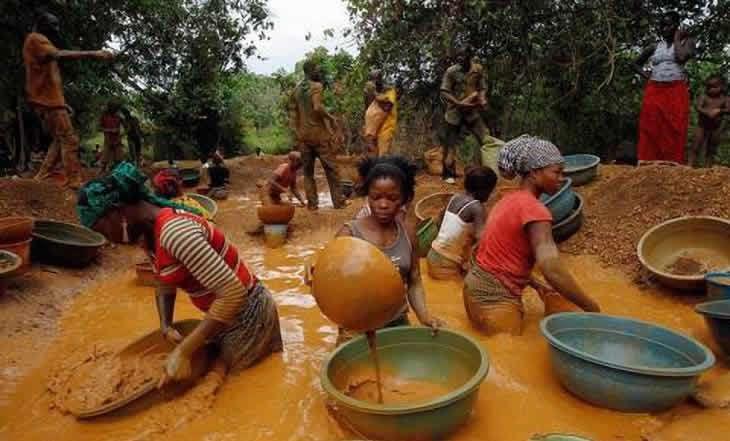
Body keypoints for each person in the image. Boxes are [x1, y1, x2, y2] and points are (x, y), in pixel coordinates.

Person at [77, 162, 282, 388]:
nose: (107, 238)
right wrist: (166, 325)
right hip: (225, 317)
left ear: (118, 211)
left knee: (234, 387)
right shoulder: (148, 235)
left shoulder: (176, 233)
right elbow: (163, 280)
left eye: (102, 229)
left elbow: (233, 294)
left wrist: (183, 351)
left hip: (249, 316)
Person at [464, 135, 600, 336]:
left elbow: (499, 255)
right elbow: (551, 269)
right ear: (535, 173)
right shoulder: (536, 211)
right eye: (557, 172)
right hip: (495, 302)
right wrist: (591, 307)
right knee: (510, 359)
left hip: (473, 291)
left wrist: (535, 284)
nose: (562, 178)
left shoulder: (507, 200)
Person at [335, 155, 443, 345]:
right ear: (367, 195)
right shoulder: (349, 233)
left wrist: (425, 316)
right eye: (376, 197)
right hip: (357, 327)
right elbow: (329, 281)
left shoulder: (409, 233)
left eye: (392, 198)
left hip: (397, 321)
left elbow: (415, 280)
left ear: (405, 198)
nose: (383, 204)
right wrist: (314, 269)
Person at [24, 12, 114, 189]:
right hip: (48, 103)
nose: (56, 30)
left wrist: (62, 103)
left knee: (60, 139)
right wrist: (94, 53)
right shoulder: (35, 39)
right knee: (69, 139)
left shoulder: (38, 40)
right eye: (53, 25)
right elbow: (58, 54)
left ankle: (42, 176)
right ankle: (74, 181)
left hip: (51, 102)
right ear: (41, 24)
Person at [634, 11, 695, 164]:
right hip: (654, 89)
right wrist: (646, 75)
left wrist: (676, 38)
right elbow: (634, 63)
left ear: (676, 26)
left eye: (668, 25)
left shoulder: (687, 42)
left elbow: (681, 57)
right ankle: (649, 162)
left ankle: (672, 163)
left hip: (676, 89)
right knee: (650, 124)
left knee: (675, 125)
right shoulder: (654, 46)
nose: (664, 28)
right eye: (662, 25)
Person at [288, 58, 345, 210]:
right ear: (311, 70)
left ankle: (312, 205)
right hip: (319, 136)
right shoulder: (316, 87)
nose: (318, 72)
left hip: (304, 137)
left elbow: (293, 116)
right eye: (316, 69)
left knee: (308, 172)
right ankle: (338, 202)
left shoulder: (296, 90)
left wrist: (297, 134)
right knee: (331, 169)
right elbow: (317, 107)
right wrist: (331, 118)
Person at [427, 166, 497, 280]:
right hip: (446, 263)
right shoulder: (476, 207)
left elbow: (439, 223)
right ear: (484, 190)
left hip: (433, 254)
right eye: (490, 191)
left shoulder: (454, 198)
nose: (490, 196)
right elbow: (482, 240)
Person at [440, 50, 489, 184]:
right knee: (450, 144)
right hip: (454, 111)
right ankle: (448, 174)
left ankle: (485, 171)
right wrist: (458, 103)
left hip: (472, 111)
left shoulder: (477, 69)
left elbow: (482, 87)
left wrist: (482, 98)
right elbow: (444, 91)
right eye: (458, 57)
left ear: (470, 58)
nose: (460, 60)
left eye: (463, 57)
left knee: (485, 138)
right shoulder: (451, 71)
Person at [689, 75, 729, 167]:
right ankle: (689, 165)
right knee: (695, 146)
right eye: (708, 87)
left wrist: (719, 111)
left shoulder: (725, 99)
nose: (711, 89)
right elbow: (698, 107)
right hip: (702, 126)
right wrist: (707, 112)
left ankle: (707, 167)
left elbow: (728, 109)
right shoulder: (704, 96)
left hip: (716, 128)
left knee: (711, 148)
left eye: (714, 87)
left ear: (722, 87)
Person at [362, 70, 398, 157]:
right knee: (373, 154)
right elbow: (368, 109)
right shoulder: (370, 92)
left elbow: (387, 108)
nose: (374, 84)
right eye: (372, 81)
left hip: (386, 127)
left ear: (380, 81)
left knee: (383, 154)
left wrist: (375, 94)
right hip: (375, 129)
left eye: (375, 81)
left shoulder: (389, 91)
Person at [99, 102, 124, 175]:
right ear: (110, 108)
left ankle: (118, 173)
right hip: (108, 140)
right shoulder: (104, 116)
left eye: (116, 109)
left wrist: (122, 133)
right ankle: (102, 171)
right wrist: (109, 130)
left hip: (117, 140)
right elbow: (99, 128)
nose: (115, 110)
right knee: (105, 157)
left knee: (119, 158)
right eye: (113, 108)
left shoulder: (119, 117)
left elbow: (126, 126)